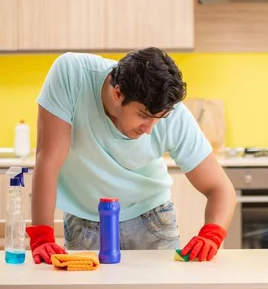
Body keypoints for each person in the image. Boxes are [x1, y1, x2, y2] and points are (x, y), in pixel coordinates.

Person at [26, 47, 237, 264]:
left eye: (158, 119)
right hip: (85, 223)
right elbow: (49, 158)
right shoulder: (72, 75)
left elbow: (221, 188)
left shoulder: (173, 114)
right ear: (117, 93)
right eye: (143, 116)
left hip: (152, 221)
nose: (149, 130)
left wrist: (211, 235)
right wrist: (42, 236)